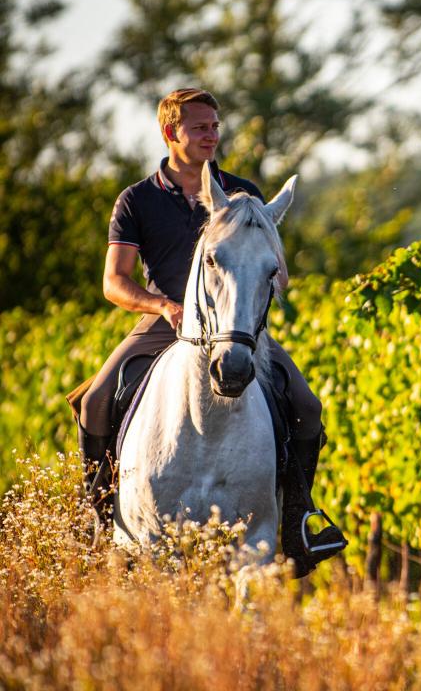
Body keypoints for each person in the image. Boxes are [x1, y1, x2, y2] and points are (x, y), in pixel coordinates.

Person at [76, 87, 345, 572]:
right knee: (96, 400)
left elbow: (277, 272)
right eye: (199, 127)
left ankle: (299, 520)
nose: (211, 136)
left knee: (306, 403)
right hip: (165, 321)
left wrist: (258, 282)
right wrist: (162, 305)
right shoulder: (137, 199)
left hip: (237, 325)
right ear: (170, 133)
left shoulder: (244, 196)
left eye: (215, 127)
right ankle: (95, 516)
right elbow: (114, 282)